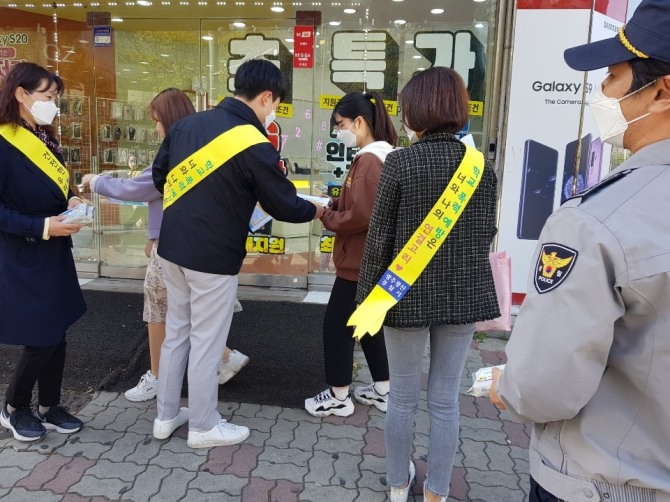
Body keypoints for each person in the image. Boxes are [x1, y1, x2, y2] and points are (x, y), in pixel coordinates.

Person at [490, 1, 670, 500]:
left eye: (613, 75)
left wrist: (505, 387)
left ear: (661, 90)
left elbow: (542, 387)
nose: (601, 91)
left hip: (605, 479)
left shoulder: (595, 221)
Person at [152, 59, 324, 448]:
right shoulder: (253, 142)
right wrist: (318, 209)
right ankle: (203, 425)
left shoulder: (186, 125)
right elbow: (283, 205)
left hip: (172, 247)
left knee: (177, 333)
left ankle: (165, 416)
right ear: (266, 96)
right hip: (213, 257)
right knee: (208, 341)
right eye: (274, 104)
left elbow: (161, 177)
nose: (272, 112)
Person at [355, 67, 499, 502]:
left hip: (404, 297)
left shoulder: (400, 161)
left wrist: (366, 302)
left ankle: (399, 485)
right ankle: (436, 491)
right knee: (445, 400)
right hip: (462, 298)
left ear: (416, 111)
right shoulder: (481, 168)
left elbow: (379, 238)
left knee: (401, 397)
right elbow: (485, 232)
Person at [81, 88, 249, 403]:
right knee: (191, 313)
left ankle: (161, 380)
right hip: (202, 248)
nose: (156, 129)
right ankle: (223, 359)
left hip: (172, 250)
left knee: (159, 314)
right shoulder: (208, 152)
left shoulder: (173, 155)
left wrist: (95, 181)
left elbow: (137, 188)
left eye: (157, 122)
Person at [0, 62, 87, 442]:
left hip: (54, 249)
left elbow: (55, 184)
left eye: (55, 97)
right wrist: (44, 226)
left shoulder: (44, 136)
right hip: (25, 250)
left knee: (59, 329)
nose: (53, 104)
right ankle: (14, 406)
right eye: (48, 97)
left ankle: (50, 405)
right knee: (42, 336)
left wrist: (71, 198)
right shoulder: (4, 141)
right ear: (21, 93)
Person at [304, 91, 397, 418]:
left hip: (359, 263)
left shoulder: (369, 160)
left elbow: (362, 215)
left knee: (337, 327)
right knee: (368, 326)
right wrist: (334, 204)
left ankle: (338, 396)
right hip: (375, 261)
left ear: (359, 122)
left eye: (340, 125)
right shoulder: (385, 155)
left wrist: (324, 215)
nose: (338, 132)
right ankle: (384, 390)